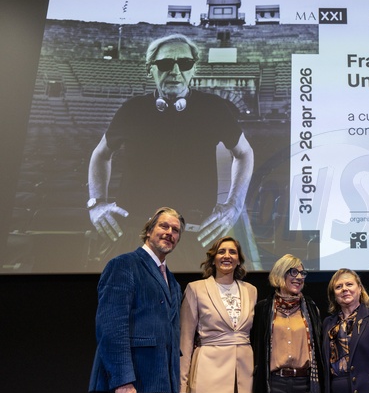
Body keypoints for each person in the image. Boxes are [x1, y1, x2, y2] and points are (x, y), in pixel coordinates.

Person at [87, 33, 254, 269]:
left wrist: (234, 205)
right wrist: (96, 203)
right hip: (134, 234)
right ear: (150, 69)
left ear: (193, 69)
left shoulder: (214, 108)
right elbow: (101, 154)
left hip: (193, 235)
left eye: (184, 63)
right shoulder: (132, 109)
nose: (175, 71)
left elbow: (244, 153)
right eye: (166, 63)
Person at [88, 207, 185, 393]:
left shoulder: (172, 282)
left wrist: (173, 384)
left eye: (175, 230)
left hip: (160, 391)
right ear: (149, 230)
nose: (169, 233)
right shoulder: (124, 265)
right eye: (164, 226)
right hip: (127, 389)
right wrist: (123, 380)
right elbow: (111, 328)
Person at [178, 236, 257, 393]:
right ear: (213, 259)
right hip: (209, 375)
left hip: (243, 379)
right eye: (221, 252)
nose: (227, 256)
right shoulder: (196, 289)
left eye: (232, 252)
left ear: (239, 259)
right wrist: (182, 385)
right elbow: (186, 339)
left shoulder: (251, 290)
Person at [250, 254, 324, 393]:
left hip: (305, 387)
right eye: (293, 272)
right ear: (279, 274)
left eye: (302, 273)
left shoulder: (311, 308)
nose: (299, 277)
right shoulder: (263, 309)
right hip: (275, 386)